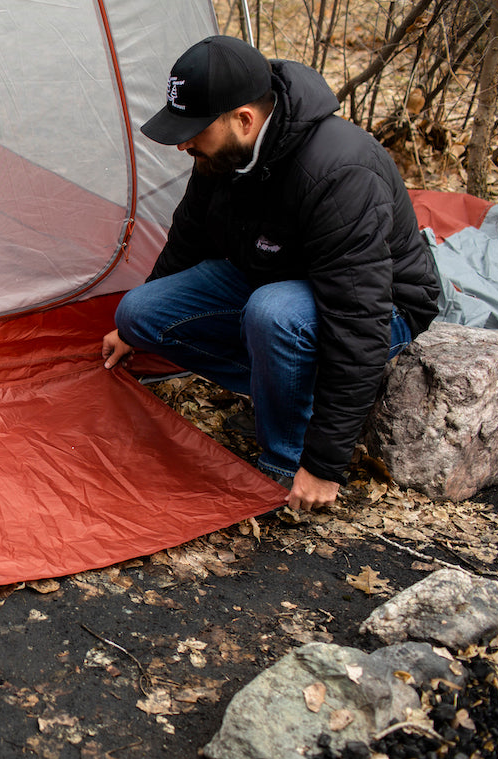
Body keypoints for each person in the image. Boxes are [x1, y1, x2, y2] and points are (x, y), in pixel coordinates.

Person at [101, 36, 440, 512]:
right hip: (272, 276)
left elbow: (359, 317)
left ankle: (285, 462)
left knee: (274, 314)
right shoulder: (223, 152)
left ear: (244, 119)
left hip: (382, 307)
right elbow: (189, 236)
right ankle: (283, 381)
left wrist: (324, 464)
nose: (183, 143)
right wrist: (131, 331)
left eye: (194, 129)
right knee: (140, 311)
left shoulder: (338, 172)